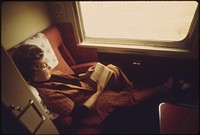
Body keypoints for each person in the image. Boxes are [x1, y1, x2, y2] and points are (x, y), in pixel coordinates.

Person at [12, 44, 173, 134]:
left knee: (112, 69)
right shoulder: (48, 94)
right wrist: (98, 92)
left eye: (46, 62)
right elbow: (79, 112)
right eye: (44, 66)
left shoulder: (48, 73)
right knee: (114, 97)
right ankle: (160, 90)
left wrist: (84, 75)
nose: (48, 65)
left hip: (85, 88)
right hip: (88, 106)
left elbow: (72, 80)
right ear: (32, 73)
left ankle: (132, 89)